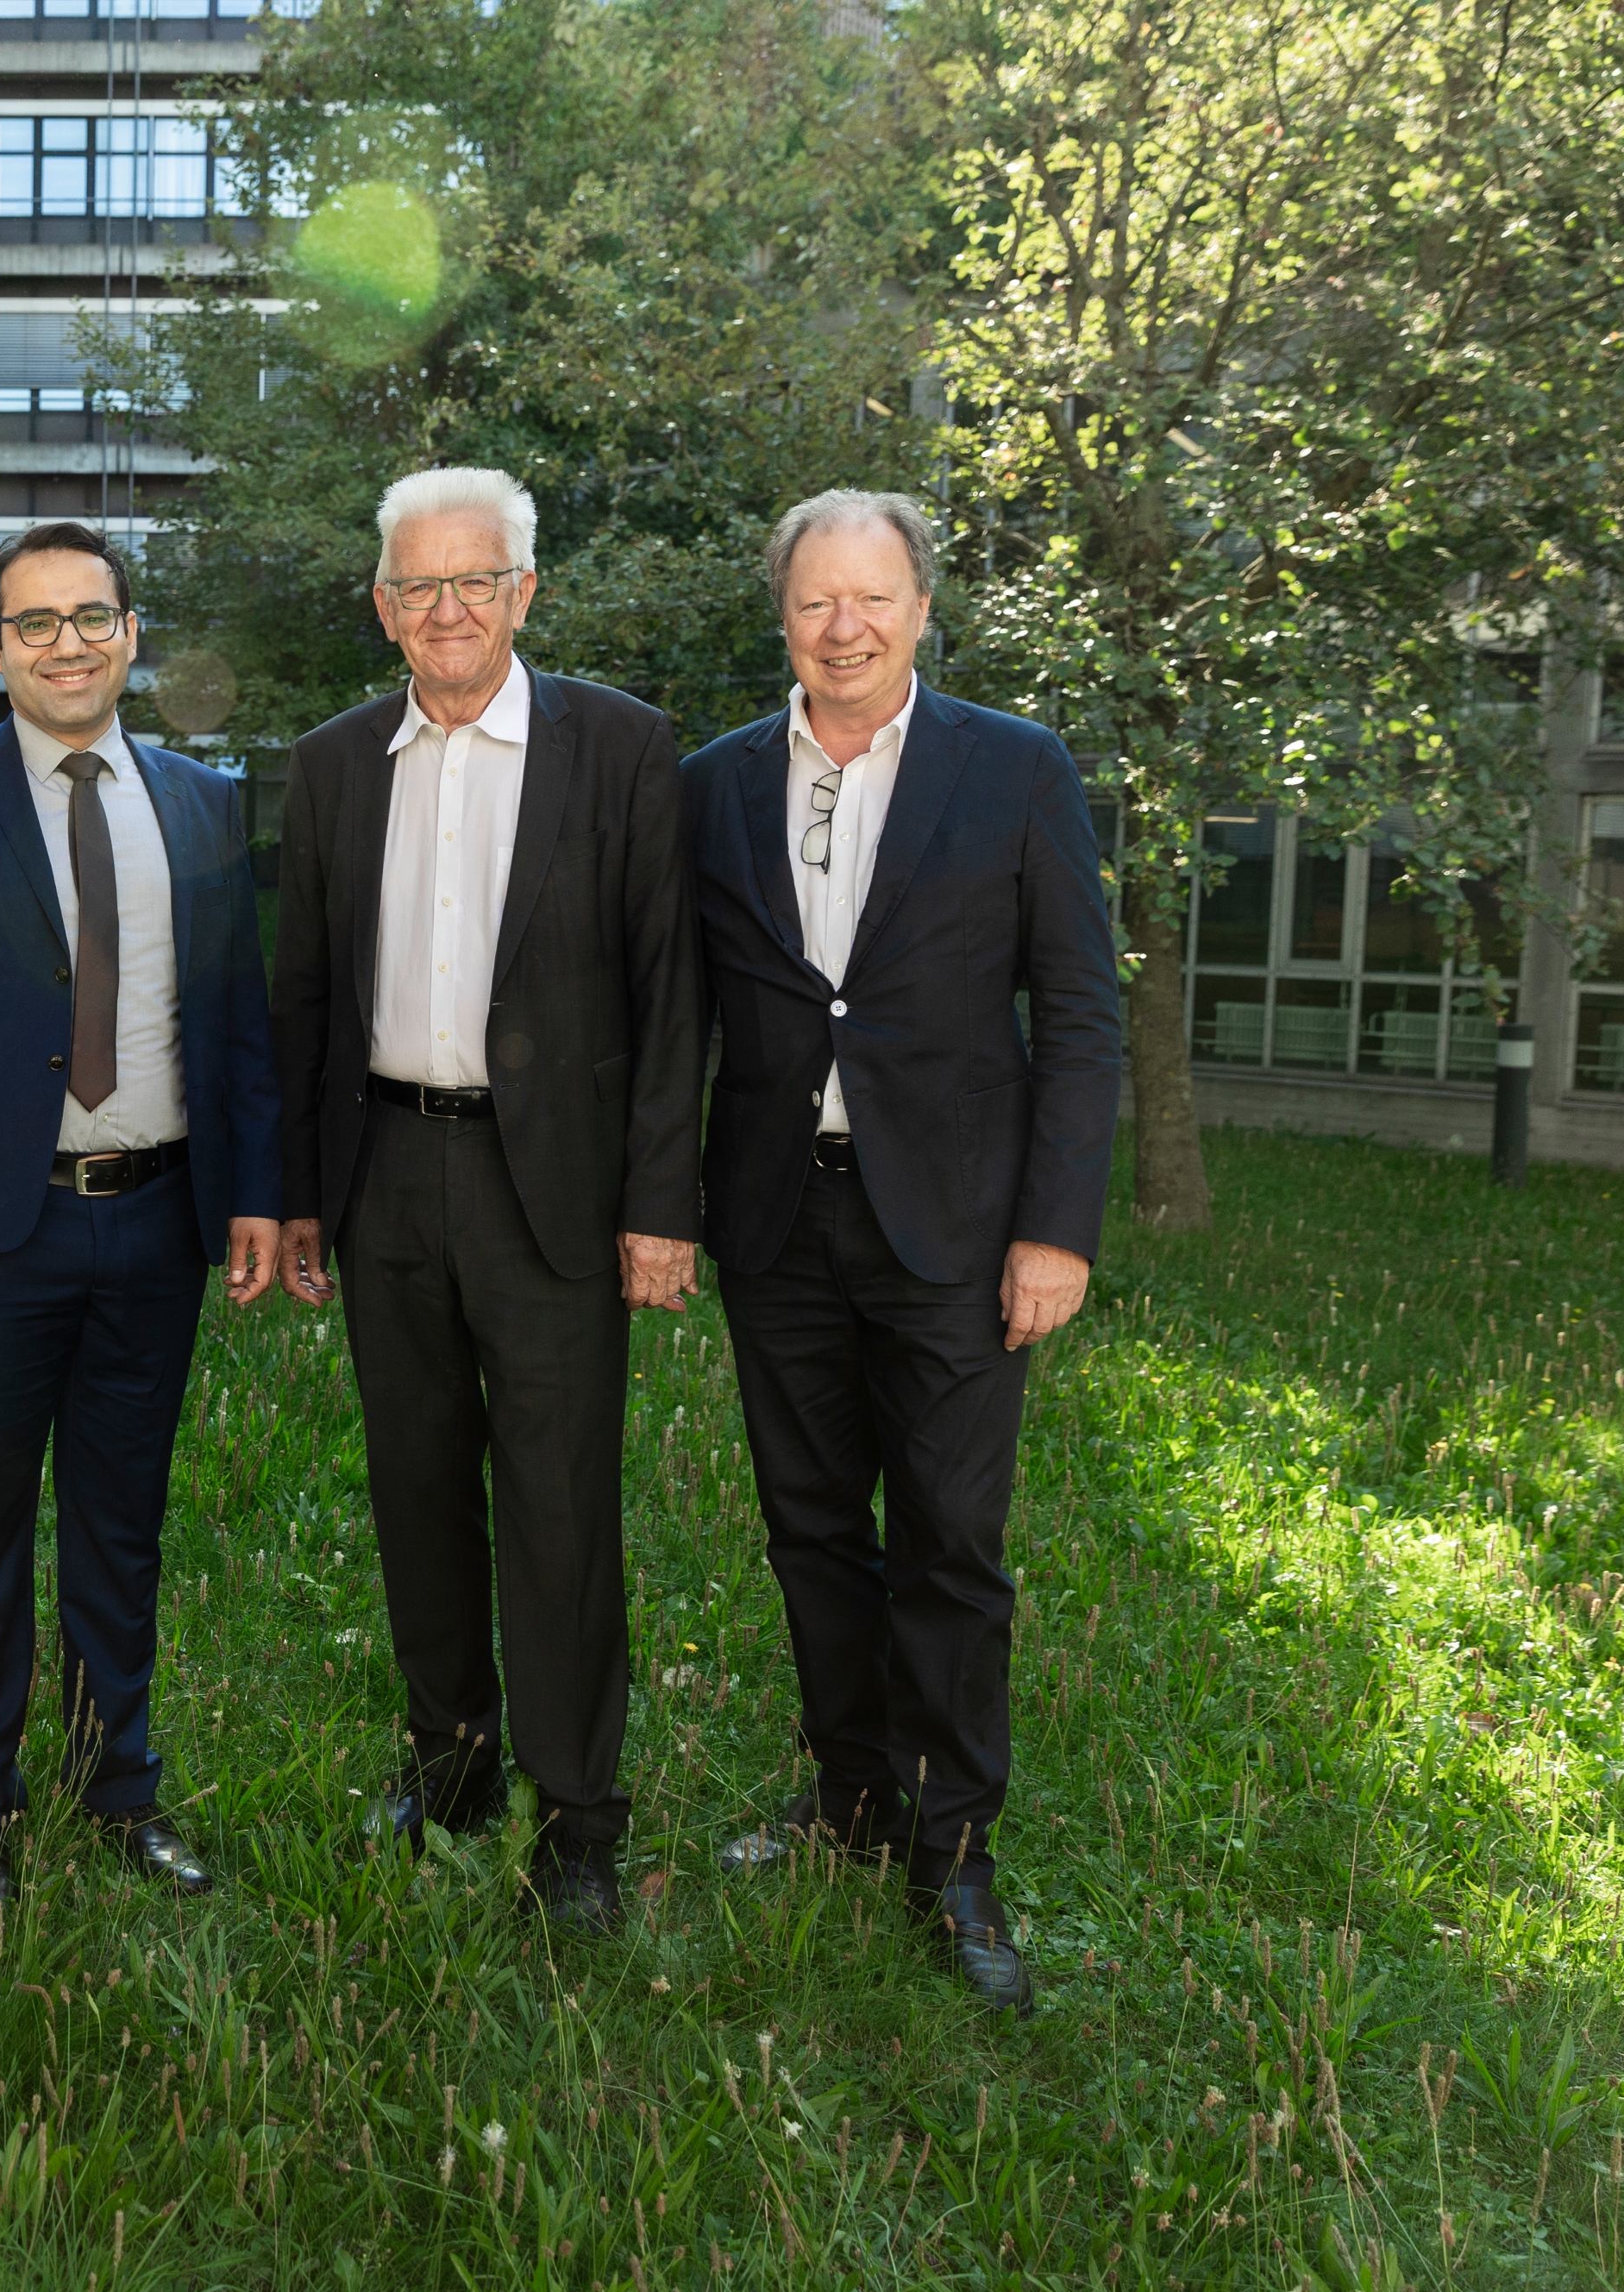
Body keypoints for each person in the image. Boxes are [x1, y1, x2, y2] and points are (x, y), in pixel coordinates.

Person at [684, 489, 1121, 2014]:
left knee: (948, 1538)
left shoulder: (1013, 770)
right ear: (784, 617)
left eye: (873, 598)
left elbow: (1078, 1010)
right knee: (812, 1529)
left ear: (924, 609)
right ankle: (850, 1800)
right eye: (816, 602)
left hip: (956, 1223)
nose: (845, 627)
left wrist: (1055, 1229)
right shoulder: (718, 783)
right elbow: (688, 1009)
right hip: (774, 1216)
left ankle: (952, 1848)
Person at [272, 467, 702, 1934]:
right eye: (418, 586)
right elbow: (303, 1000)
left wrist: (661, 1203)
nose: (447, 610)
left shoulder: (624, 751)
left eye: (477, 582)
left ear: (526, 592)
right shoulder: (334, 764)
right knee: (416, 1484)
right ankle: (448, 1756)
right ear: (384, 608)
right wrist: (296, 1197)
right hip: (388, 1170)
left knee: (563, 1502)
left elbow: (669, 990)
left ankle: (580, 1811)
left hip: (561, 1190)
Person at [0, 522, 282, 1918]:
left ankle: (117, 1789)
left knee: (120, 1527)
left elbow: (239, 1018)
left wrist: (257, 1186)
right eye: (36, 623)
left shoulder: (205, 801)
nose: (69, 642)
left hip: (153, 1220)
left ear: (133, 633)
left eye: (94, 615)